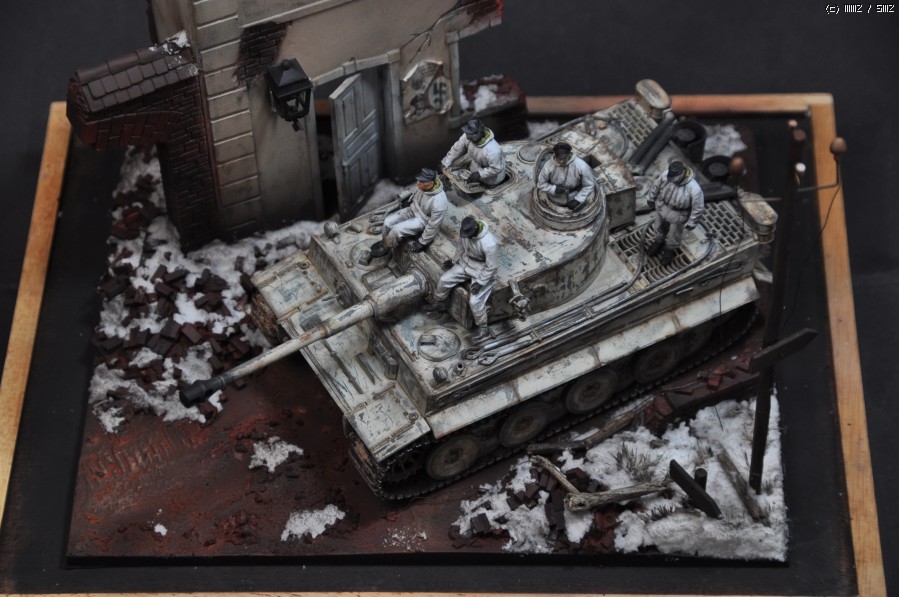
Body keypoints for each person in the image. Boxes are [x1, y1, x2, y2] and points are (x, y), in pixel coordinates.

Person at [422, 216, 498, 343]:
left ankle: (483, 328)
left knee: (475, 301)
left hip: (482, 270)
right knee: (444, 280)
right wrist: (454, 261)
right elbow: (460, 247)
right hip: (465, 263)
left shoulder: (489, 243)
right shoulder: (465, 233)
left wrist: (481, 282)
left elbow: (492, 267)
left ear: (475, 229)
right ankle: (440, 302)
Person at [370, 168, 448, 258]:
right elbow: (415, 192)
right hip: (412, 210)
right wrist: (410, 200)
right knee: (387, 222)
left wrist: (422, 242)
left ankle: (386, 248)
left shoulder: (439, 202)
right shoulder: (423, 187)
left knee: (396, 230)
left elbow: (433, 225)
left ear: (429, 184)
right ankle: (384, 241)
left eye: (421, 181)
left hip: (422, 220)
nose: (418, 183)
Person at [645, 160, 705, 266]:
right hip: (663, 207)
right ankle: (658, 242)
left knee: (675, 234)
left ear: (682, 174)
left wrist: (692, 222)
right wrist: (651, 198)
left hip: (678, 214)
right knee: (658, 227)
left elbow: (698, 207)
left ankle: (670, 249)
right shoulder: (666, 175)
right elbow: (656, 186)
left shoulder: (694, 189)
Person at [440, 119, 505, 187]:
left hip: (491, 179)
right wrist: (446, 162)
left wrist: (480, 174)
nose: (467, 137)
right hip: (475, 168)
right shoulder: (468, 135)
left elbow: (496, 168)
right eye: (467, 133)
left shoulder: (493, 150)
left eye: (469, 134)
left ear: (477, 135)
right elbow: (456, 148)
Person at [536, 142, 596, 210]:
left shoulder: (581, 166)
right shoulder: (548, 166)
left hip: (574, 195)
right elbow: (541, 184)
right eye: (559, 159)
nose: (562, 161)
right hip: (555, 198)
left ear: (569, 154)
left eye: (564, 158)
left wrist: (578, 199)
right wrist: (553, 189)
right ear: (555, 155)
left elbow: (589, 185)